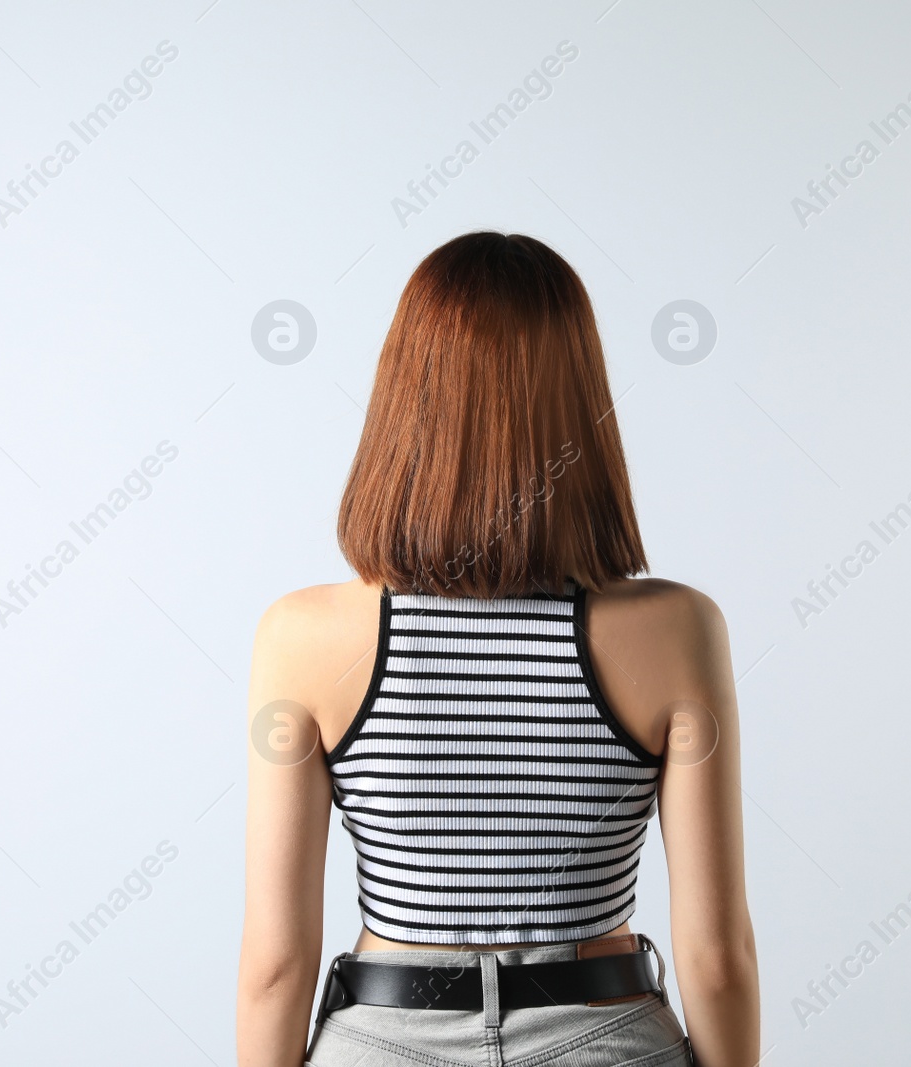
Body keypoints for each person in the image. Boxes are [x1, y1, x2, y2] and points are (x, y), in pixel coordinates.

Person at [237, 231, 759, 1066]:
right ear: (580, 402)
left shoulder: (304, 636)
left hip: (383, 1039)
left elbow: (276, 965)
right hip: (606, 1033)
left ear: (405, 398)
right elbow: (717, 957)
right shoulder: (677, 629)